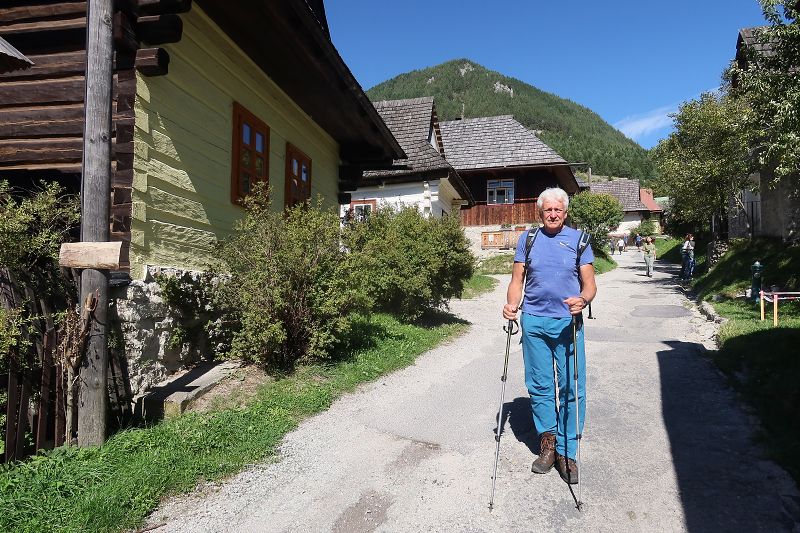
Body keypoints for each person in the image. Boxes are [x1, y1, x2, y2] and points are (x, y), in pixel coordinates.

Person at [502, 187, 597, 485]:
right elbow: (517, 280)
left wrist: (583, 300)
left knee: (571, 386)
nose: (553, 214)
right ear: (540, 212)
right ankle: (549, 446)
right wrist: (511, 305)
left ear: (565, 212)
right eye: (548, 210)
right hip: (534, 323)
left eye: (558, 210)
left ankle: (567, 452)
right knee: (540, 386)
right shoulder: (528, 239)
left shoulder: (579, 240)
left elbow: (589, 284)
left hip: (567, 324)